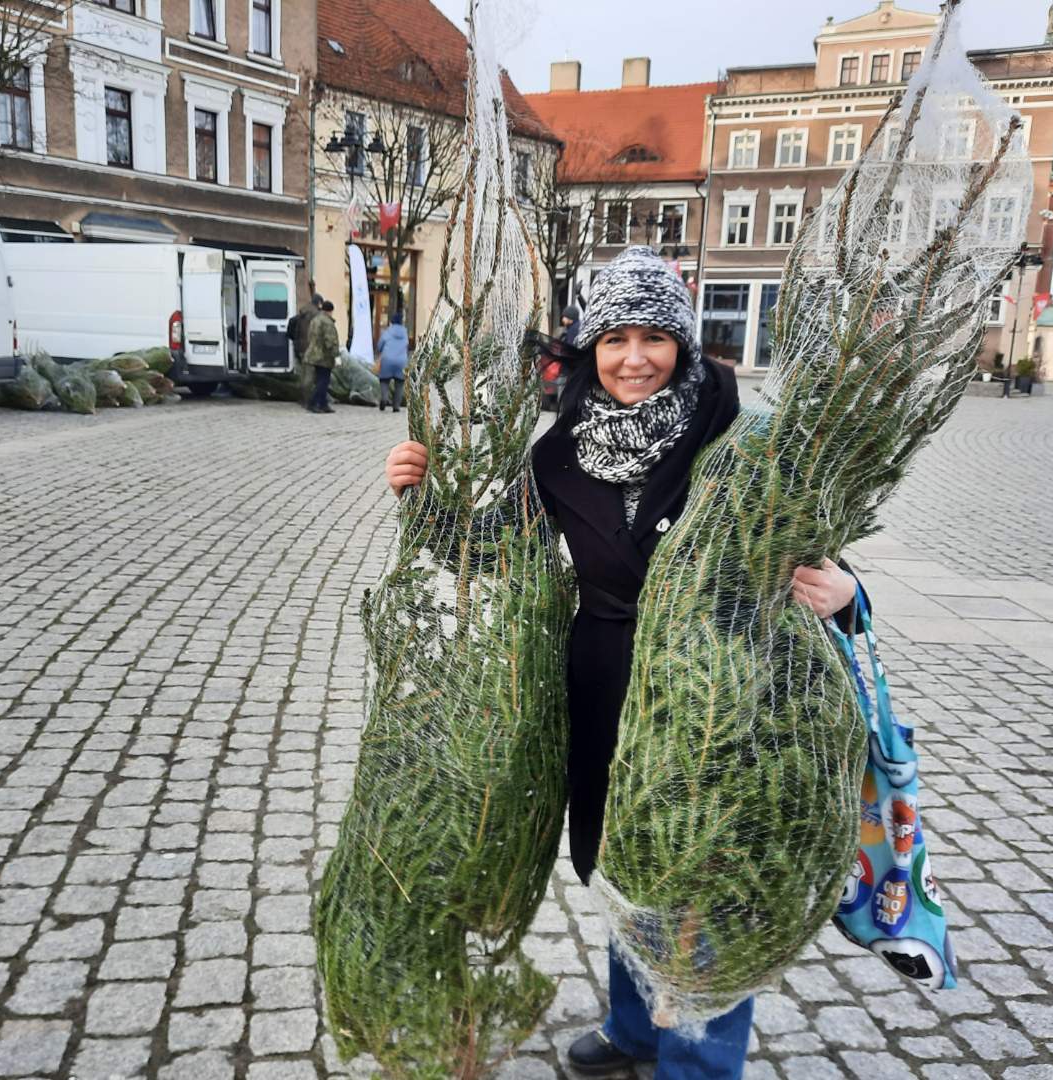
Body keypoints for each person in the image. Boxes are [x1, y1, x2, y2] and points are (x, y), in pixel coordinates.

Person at [384, 247, 864, 1080]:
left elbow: (817, 554)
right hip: (605, 681)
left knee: (702, 877)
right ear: (587, 348)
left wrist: (847, 590)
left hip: (724, 690)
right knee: (623, 857)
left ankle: (699, 1067)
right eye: (614, 338)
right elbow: (499, 549)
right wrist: (420, 502)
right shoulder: (559, 454)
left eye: (654, 337)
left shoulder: (742, 443)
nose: (634, 357)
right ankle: (634, 1027)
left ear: (684, 342)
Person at [305, 300, 341, 415]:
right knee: (323, 381)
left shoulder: (315, 320)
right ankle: (313, 403)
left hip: (313, 355)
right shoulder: (327, 322)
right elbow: (330, 341)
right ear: (330, 311)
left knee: (320, 380)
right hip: (323, 357)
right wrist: (336, 355)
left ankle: (323, 404)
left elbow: (309, 336)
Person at [289, 293, 324, 410]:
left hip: (299, 347)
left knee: (303, 375)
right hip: (310, 347)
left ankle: (302, 398)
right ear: (319, 303)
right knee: (310, 376)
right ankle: (307, 401)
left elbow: (291, 323)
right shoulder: (316, 315)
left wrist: (294, 339)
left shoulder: (302, 312)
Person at [376, 311, 410, 414]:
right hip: (401, 361)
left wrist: (380, 351)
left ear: (392, 322)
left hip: (387, 360)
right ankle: (396, 406)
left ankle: (384, 398)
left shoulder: (388, 332)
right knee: (399, 384)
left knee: (384, 380)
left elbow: (380, 345)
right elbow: (407, 347)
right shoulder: (405, 333)